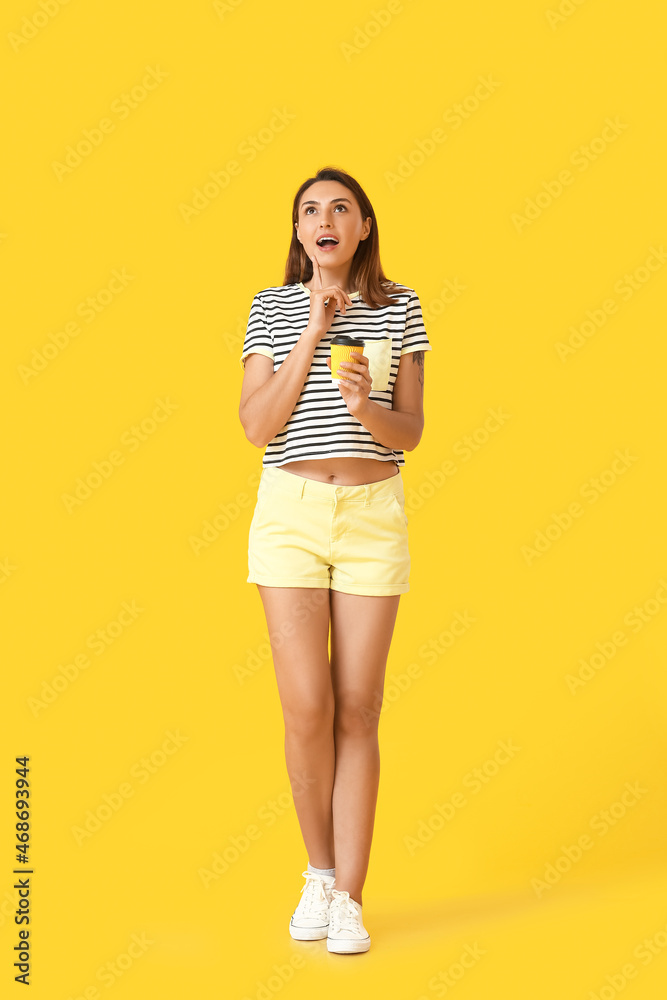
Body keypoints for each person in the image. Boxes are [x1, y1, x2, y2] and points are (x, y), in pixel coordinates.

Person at [238, 166, 432, 954]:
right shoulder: (271, 307)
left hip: (371, 515)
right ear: (298, 233)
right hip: (289, 514)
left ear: (361, 228)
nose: (324, 219)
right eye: (309, 210)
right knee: (305, 708)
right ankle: (318, 873)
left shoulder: (400, 307)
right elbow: (257, 425)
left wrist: (364, 408)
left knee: (358, 707)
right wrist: (313, 331)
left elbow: (412, 432)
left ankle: (349, 897)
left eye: (339, 208)